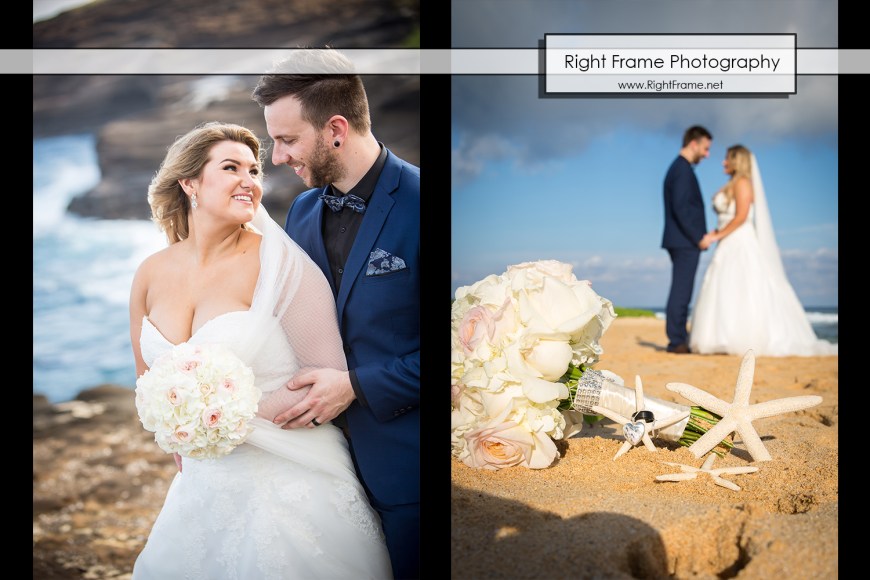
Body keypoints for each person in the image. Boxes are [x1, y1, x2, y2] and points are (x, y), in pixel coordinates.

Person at [128, 121, 393, 579]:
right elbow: (146, 382)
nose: (250, 181)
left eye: (254, 170)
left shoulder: (282, 266)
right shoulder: (149, 273)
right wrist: (180, 427)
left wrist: (222, 418)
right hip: (203, 483)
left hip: (291, 476)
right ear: (189, 182)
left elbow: (326, 383)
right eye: (231, 168)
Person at [251, 50, 420, 579]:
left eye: (287, 139)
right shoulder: (300, 211)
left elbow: (471, 353)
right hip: (320, 470)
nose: (276, 158)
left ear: (337, 129)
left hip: (407, 468)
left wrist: (357, 386)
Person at [688, 145, 837, 356]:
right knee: (726, 287)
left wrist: (715, 236)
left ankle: (738, 338)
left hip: (739, 240)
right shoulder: (733, 184)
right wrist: (716, 233)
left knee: (741, 286)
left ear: (737, 161)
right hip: (728, 241)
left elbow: (740, 217)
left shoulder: (742, 183)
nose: (723, 162)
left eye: (727, 158)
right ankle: (721, 336)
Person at [661, 125, 715, 354]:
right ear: (694, 143)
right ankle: (677, 341)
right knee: (681, 291)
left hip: (681, 240)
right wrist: (698, 238)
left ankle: (678, 337)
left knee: (681, 290)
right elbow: (682, 208)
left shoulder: (679, 168)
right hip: (685, 241)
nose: (707, 154)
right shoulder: (681, 170)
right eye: (705, 148)